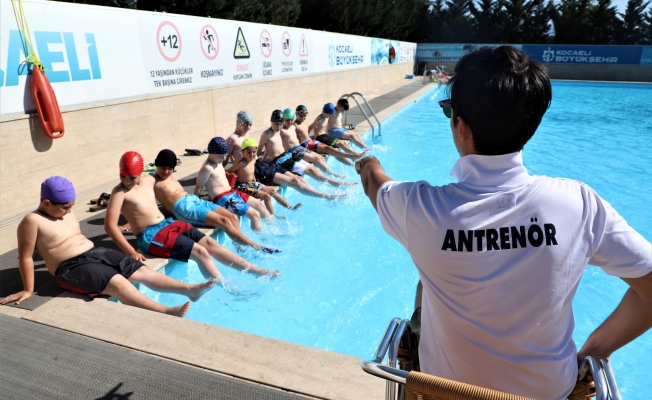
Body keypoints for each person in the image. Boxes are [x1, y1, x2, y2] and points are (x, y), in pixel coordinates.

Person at [356, 46, 652, 399]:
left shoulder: (419, 208)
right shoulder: (578, 203)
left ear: (461, 127)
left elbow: (375, 183)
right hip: (548, 395)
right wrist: (594, 350)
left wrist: (367, 161)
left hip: (443, 392)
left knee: (425, 281)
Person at [0, 176, 216, 317]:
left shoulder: (65, 209)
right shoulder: (32, 221)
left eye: (71, 206)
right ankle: (167, 310)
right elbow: (26, 257)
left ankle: (190, 290)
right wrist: (28, 289)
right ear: (47, 203)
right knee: (119, 283)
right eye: (65, 207)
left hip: (94, 252)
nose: (69, 211)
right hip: (69, 267)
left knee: (139, 269)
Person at [105, 151, 279, 278]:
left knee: (210, 243)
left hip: (168, 223)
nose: (126, 181)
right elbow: (109, 226)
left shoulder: (148, 180)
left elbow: (143, 205)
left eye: (132, 177)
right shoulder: (119, 192)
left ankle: (257, 271)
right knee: (200, 252)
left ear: (140, 173)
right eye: (122, 176)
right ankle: (228, 288)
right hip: (151, 235)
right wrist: (130, 251)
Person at [150, 149, 280, 254]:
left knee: (232, 217)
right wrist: (130, 222)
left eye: (170, 168)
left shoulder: (169, 175)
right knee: (224, 221)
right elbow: (141, 197)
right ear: (156, 165)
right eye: (163, 167)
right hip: (184, 207)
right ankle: (256, 247)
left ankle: (241, 249)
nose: (166, 171)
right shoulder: (151, 179)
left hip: (193, 200)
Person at [255, 110, 345, 200]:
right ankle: (325, 194)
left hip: (287, 156)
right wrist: (259, 163)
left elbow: (271, 148)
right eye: (276, 124)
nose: (278, 127)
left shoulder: (279, 131)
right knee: (302, 176)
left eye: (280, 124)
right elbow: (259, 150)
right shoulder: (266, 134)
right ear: (272, 121)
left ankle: (328, 189)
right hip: (279, 161)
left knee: (304, 175)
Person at [195, 137, 273, 231]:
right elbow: (198, 189)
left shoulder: (218, 162)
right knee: (254, 214)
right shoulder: (207, 168)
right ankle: (261, 241)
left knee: (260, 204)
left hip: (232, 193)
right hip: (223, 198)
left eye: (225, 155)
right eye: (221, 156)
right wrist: (196, 207)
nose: (224, 158)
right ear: (211, 153)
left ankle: (274, 227)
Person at [228, 138, 302, 216]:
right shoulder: (241, 163)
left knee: (273, 191)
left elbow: (252, 173)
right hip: (242, 186)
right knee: (266, 196)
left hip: (253, 183)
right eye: (248, 152)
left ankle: (290, 207)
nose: (252, 154)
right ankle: (273, 216)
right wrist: (232, 184)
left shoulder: (253, 160)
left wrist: (256, 182)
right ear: (242, 152)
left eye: (254, 152)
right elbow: (229, 171)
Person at [280, 108, 354, 185]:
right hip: (294, 151)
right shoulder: (282, 130)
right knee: (317, 158)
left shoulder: (292, 127)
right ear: (283, 120)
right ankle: (332, 175)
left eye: (291, 120)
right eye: (287, 120)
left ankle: (331, 173)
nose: (289, 122)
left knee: (320, 157)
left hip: (300, 147)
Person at [294, 105, 366, 164]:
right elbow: (310, 128)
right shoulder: (319, 119)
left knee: (338, 147)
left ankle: (352, 161)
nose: (303, 117)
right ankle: (353, 155)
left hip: (319, 138)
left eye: (305, 115)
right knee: (337, 147)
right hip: (320, 138)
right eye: (330, 114)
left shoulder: (309, 120)